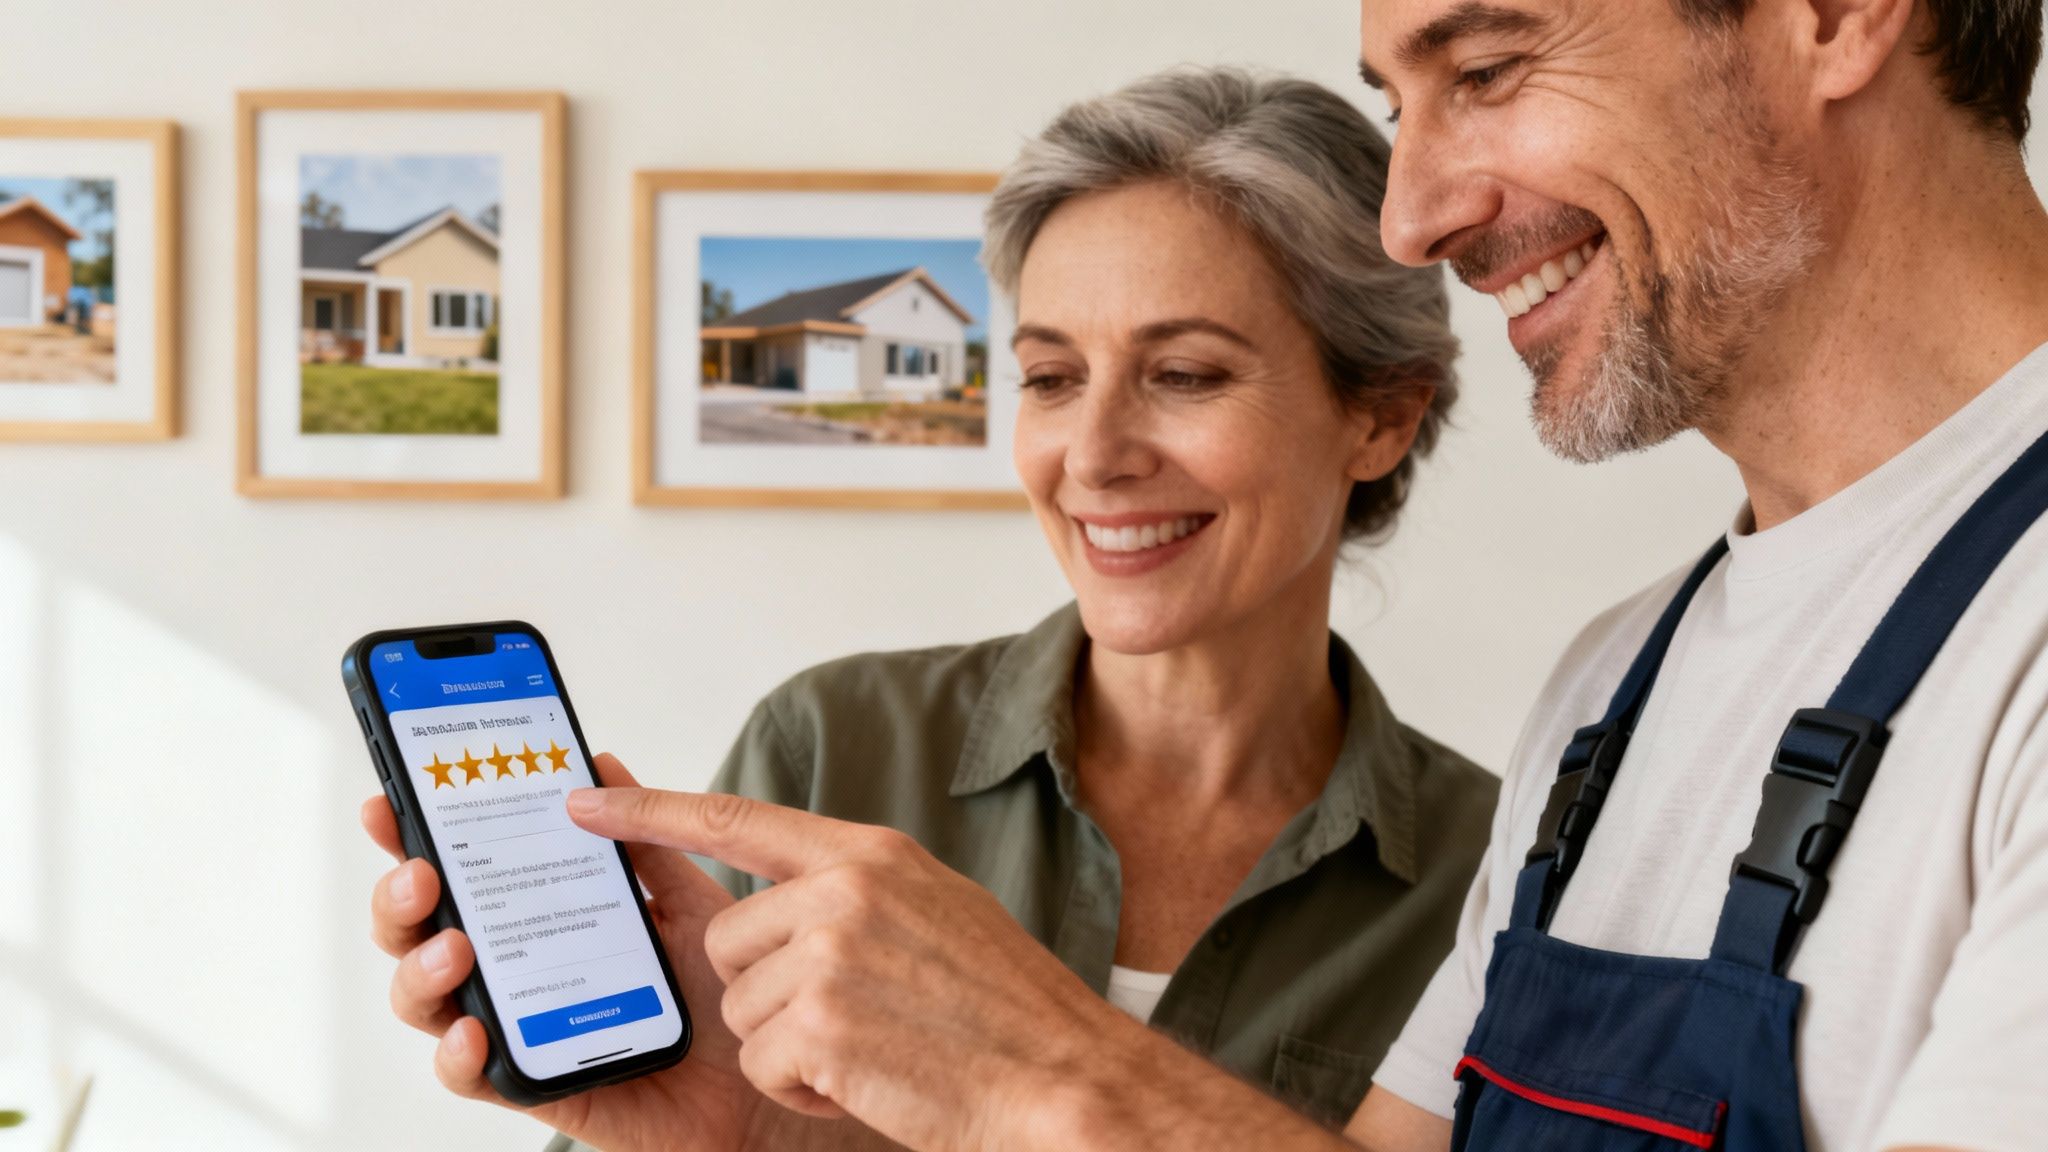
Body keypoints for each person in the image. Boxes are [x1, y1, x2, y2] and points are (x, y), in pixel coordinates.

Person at [531, 0, 2048, 1149]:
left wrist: (1043, 1070)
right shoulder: (1615, 693)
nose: (1413, 215)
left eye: (1491, 69)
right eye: (1402, 100)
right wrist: (753, 1125)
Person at [363, 67, 1502, 1150]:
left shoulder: (1499, 880)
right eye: (1051, 379)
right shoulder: (831, 746)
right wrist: (734, 1137)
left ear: (1380, 418)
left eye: (1185, 374)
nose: (1091, 457)